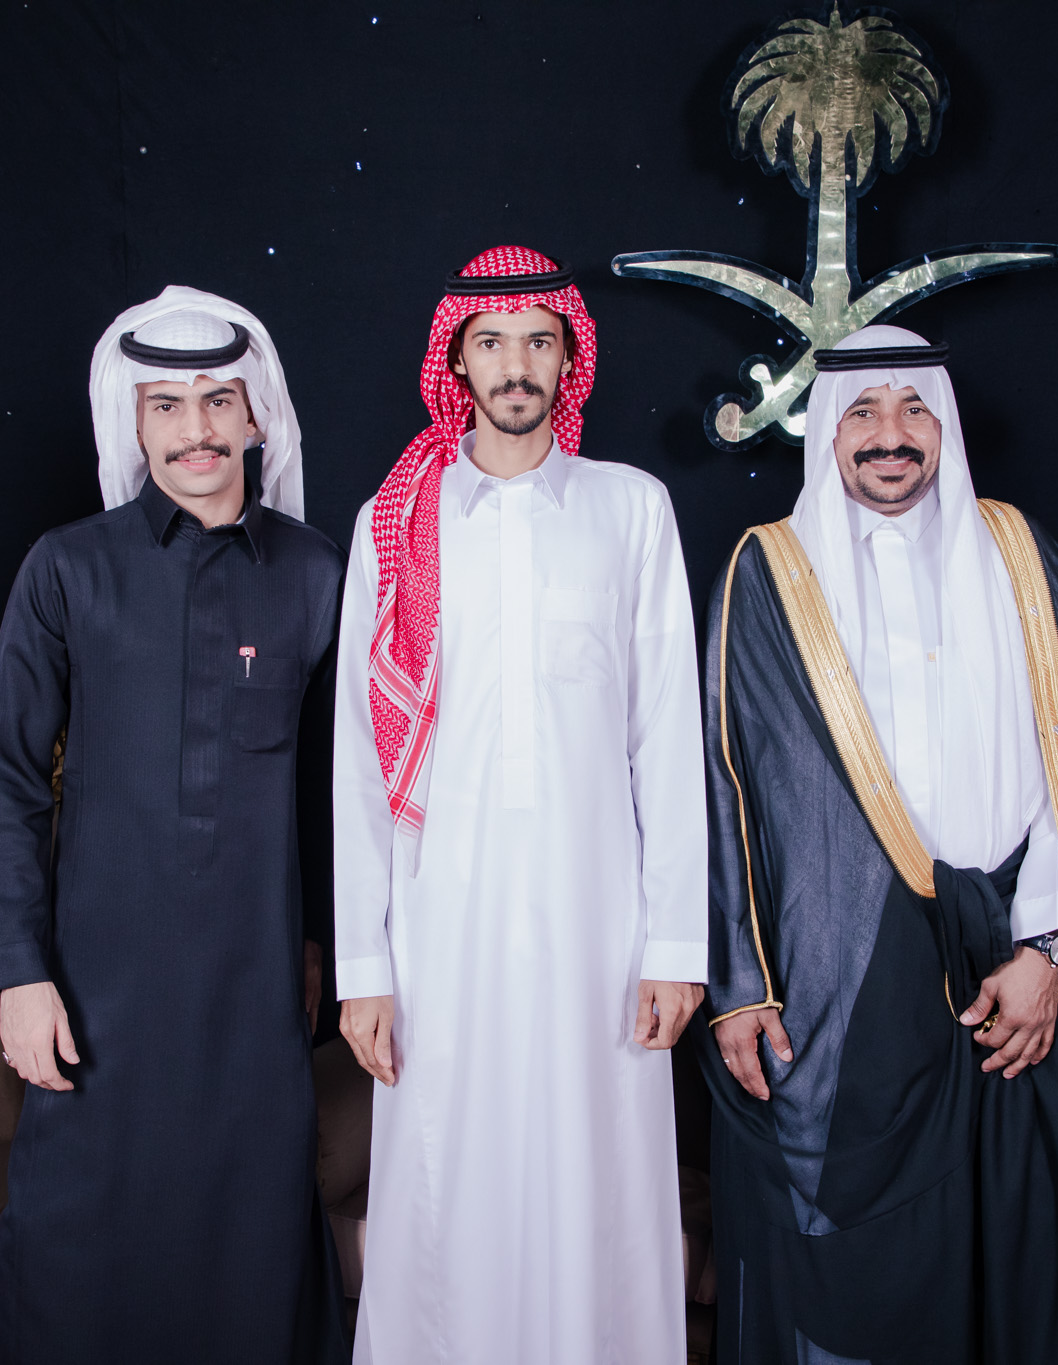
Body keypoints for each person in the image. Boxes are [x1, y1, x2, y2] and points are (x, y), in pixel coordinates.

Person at [699, 324, 1058, 1364]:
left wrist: (1045, 950)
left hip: (1013, 960)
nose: (892, 434)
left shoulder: (1018, 553)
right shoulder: (771, 571)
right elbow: (728, 783)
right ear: (827, 434)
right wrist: (742, 985)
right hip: (843, 972)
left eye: (914, 408)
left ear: (945, 425)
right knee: (866, 1265)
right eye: (864, 413)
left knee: (1016, 1243)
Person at [332, 246, 706, 1363]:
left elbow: (665, 740)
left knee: (600, 1174)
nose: (515, 364)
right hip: (437, 923)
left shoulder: (630, 509)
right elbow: (360, 759)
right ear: (455, 360)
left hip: (602, 925)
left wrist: (675, 946)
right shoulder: (396, 521)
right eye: (490, 342)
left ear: (568, 359)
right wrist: (363, 966)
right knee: (448, 1176)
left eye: (539, 341)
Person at [0, 286, 346, 1363]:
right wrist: (21, 976)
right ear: (131, 426)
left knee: (252, 1249)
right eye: (167, 406)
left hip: (254, 994)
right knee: (73, 1248)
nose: (196, 430)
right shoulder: (67, 567)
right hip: (94, 994)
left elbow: (340, 791)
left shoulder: (318, 574)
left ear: (256, 416)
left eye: (219, 400)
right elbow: (7, 779)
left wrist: (323, 946)